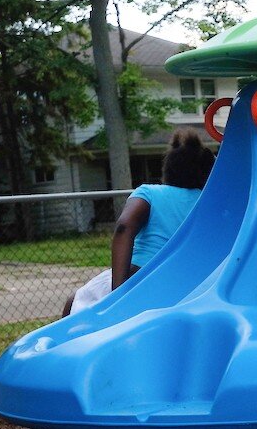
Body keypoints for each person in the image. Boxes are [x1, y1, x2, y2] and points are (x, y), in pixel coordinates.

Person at [62, 127, 215, 316]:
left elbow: (124, 228)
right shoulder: (207, 203)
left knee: (74, 301)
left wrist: (118, 293)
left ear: (169, 168)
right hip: (186, 283)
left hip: (141, 275)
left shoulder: (150, 193)